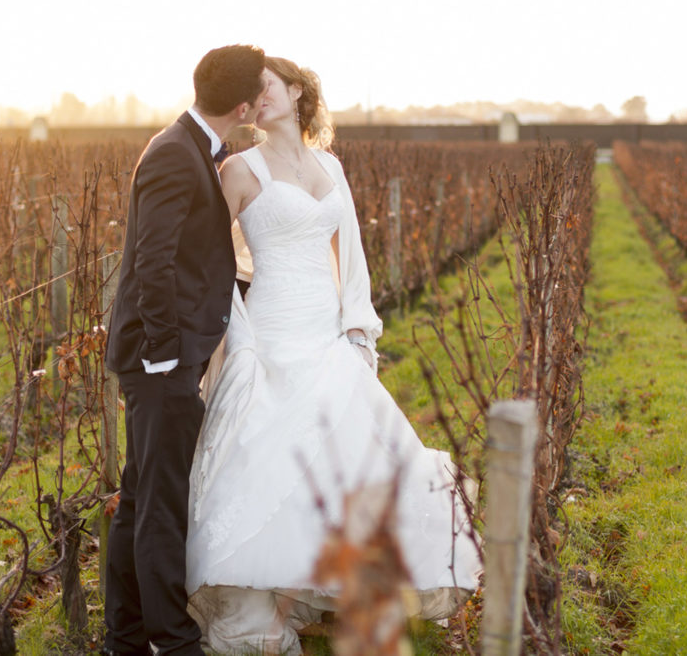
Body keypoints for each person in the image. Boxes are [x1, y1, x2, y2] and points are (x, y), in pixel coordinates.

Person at [184, 57, 481, 655]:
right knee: (270, 463)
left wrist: (356, 330)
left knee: (340, 461)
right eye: (249, 92)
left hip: (326, 335)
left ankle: (305, 595)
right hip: (270, 335)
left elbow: (352, 260)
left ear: (297, 92)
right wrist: (237, 340)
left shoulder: (332, 167)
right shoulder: (238, 169)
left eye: (265, 86)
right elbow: (211, 267)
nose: (255, 98)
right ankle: (265, 599)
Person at [103, 44, 268, 656]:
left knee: (141, 497)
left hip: (165, 355)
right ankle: (171, 640)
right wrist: (167, 354)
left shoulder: (192, 147)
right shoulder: (176, 154)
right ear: (246, 105)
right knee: (161, 506)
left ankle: (123, 634)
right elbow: (153, 260)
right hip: (158, 361)